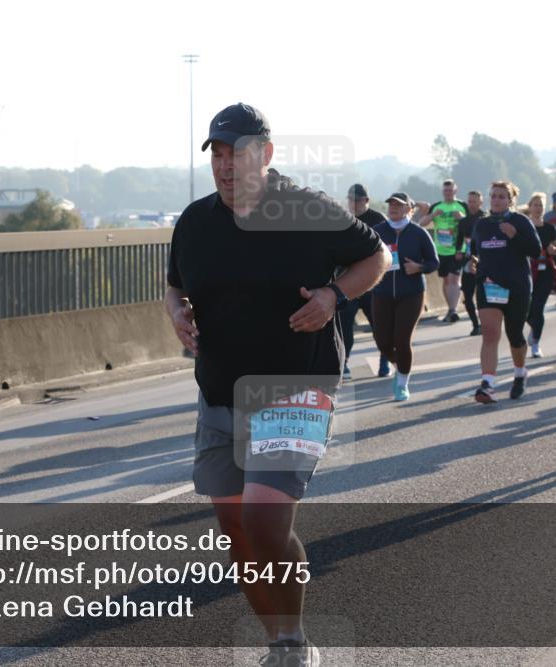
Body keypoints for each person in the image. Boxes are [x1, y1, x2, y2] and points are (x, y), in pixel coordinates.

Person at [166, 102, 389, 666]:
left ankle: (292, 643)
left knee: (265, 523)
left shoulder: (306, 210)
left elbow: (376, 255)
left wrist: (333, 297)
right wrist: (175, 311)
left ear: (264, 154)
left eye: (236, 153)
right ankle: (279, 640)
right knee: (237, 531)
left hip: (296, 386)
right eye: (216, 154)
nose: (224, 165)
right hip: (219, 389)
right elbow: (174, 286)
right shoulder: (195, 223)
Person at [468, 180, 542, 403]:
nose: (497, 199)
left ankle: (520, 373)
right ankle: (488, 384)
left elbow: (536, 251)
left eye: (502, 196)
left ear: (511, 200)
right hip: (488, 285)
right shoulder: (482, 225)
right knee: (490, 333)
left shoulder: (521, 221)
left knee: (515, 335)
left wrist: (515, 236)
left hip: (517, 286)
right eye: (494, 195)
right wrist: (474, 263)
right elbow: (475, 251)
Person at [370, 192, 440, 401]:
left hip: (411, 293)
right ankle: (401, 367)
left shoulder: (418, 233)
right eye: (390, 204)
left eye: (399, 205)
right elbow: (362, 257)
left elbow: (433, 262)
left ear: (409, 209)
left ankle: (402, 383)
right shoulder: (377, 232)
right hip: (381, 293)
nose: (393, 208)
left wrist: (419, 267)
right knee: (382, 341)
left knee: (401, 339)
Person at [341, 183, 389, 379]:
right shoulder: (343, 220)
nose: (353, 204)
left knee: (379, 325)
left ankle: (385, 360)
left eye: (358, 200)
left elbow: (388, 252)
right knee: (345, 325)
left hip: (374, 283)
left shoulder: (379, 220)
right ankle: (343, 364)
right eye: (351, 199)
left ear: (366, 201)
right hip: (350, 282)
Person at [423, 179, 468, 322]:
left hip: (458, 249)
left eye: (450, 190)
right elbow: (421, 224)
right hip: (441, 250)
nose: (448, 193)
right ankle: (450, 309)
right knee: (446, 280)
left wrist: (462, 218)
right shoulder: (437, 206)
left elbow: (472, 225)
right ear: (442, 192)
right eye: (445, 191)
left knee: (454, 278)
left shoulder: (462, 206)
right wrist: (432, 215)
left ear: (455, 191)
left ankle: (453, 310)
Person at [524, 193, 556, 358]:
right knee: (527, 310)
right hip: (526, 272)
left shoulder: (549, 228)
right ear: (529, 207)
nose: (538, 208)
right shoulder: (524, 226)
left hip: (545, 271)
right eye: (535, 205)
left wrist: (554, 250)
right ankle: (534, 328)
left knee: (538, 308)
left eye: (541, 205)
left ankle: (536, 343)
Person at [455, 190, 486, 336]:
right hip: (468, 261)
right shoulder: (464, 221)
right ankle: (475, 324)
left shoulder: (486, 219)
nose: (471, 204)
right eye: (470, 201)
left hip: (485, 262)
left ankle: (486, 322)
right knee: (467, 296)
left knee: (483, 295)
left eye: (474, 201)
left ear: (481, 202)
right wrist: (458, 252)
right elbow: (459, 240)